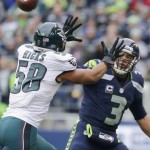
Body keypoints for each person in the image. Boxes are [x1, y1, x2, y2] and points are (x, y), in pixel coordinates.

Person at [0, 15, 124, 150]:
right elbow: (92, 76)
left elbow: (44, 49)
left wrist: (60, 37)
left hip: (7, 121)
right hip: (22, 126)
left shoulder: (24, 49)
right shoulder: (57, 61)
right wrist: (109, 59)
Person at [65, 38, 150, 150]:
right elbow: (72, 76)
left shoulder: (136, 81)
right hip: (86, 132)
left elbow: (141, 116)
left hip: (110, 138)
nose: (124, 59)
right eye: (122, 54)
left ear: (135, 60)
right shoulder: (97, 66)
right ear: (114, 53)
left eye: (129, 56)